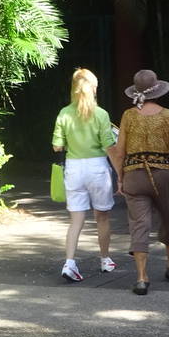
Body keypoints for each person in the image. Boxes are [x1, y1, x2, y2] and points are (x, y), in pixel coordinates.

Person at [108, 69, 169, 296]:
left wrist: (120, 177)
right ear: (157, 90)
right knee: (168, 217)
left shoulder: (128, 115)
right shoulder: (167, 114)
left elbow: (119, 152)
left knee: (139, 225)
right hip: (164, 174)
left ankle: (141, 278)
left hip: (134, 174)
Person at [51, 68, 119, 283]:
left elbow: (56, 146)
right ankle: (105, 259)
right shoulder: (101, 114)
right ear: (95, 88)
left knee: (76, 220)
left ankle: (69, 263)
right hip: (97, 167)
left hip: (73, 167)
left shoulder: (64, 113)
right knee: (102, 217)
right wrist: (122, 174)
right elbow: (110, 147)